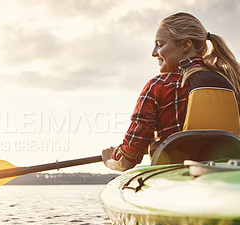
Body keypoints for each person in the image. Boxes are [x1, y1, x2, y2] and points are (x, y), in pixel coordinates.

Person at [102, 12, 240, 171]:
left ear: (186, 45)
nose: (154, 53)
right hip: (229, 172)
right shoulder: (233, 81)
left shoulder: (158, 86)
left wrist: (110, 161)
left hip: (173, 177)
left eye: (159, 45)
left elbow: (128, 159)